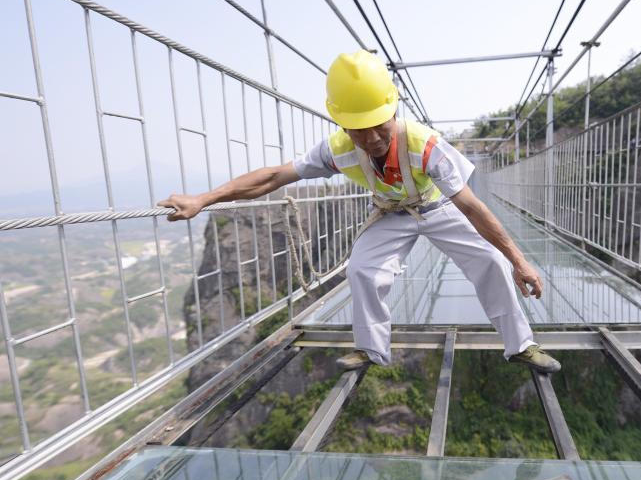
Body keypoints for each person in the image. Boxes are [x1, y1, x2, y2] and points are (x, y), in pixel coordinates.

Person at [158, 50, 560, 373]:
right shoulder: (338, 149)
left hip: (437, 206)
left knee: (491, 260)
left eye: (378, 126)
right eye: (358, 129)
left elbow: (471, 206)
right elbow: (275, 177)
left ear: (393, 112)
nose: (370, 138)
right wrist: (203, 199)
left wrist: (519, 261)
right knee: (362, 270)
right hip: (391, 213)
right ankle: (371, 350)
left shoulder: (427, 146)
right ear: (342, 124)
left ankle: (522, 346)